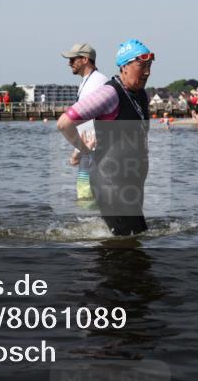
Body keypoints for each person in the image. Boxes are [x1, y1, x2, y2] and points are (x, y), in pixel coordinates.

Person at [57, 39, 154, 237]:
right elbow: (64, 123)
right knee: (129, 245)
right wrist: (82, 149)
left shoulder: (140, 95)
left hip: (132, 183)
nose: (147, 72)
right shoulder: (110, 94)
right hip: (110, 182)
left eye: (149, 66)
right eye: (142, 66)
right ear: (124, 67)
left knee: (136, 241)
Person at [62, 43, 109, 203]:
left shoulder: (95, 82)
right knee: (87, 198)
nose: (69, 63)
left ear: (85, 59)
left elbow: (89, 120)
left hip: (94, 150)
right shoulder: (89, 81)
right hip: (91, 149)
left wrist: (78, 150)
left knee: (87, 199)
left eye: (72, 59)